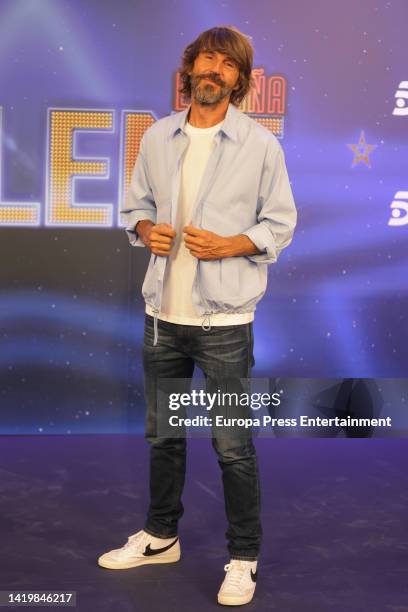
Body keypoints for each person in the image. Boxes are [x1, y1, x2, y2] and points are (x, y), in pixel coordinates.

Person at [98, 25, 297, 606]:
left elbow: (280, 224)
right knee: (164, 437)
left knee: (233, 445)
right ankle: (162, 536)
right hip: (162, 316)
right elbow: (134, 207)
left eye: (226, 65)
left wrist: (234, 244)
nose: (213, 70)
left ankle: (243, 556)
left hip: (225, 325)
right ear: (188, 70)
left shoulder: (262, 146)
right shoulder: (158, 138)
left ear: (239, 81)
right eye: (205, 60)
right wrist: (143, 228)